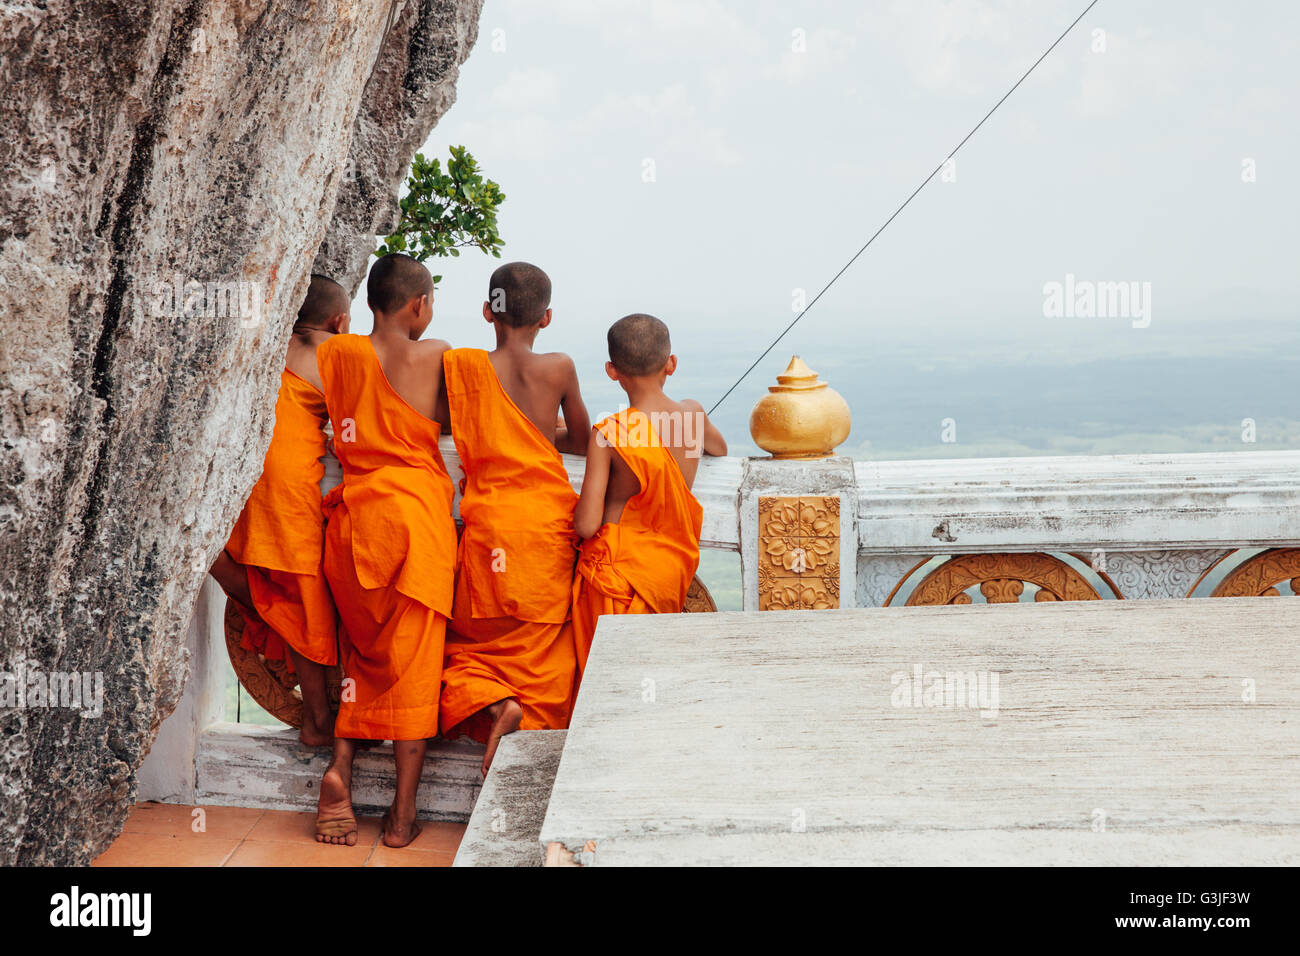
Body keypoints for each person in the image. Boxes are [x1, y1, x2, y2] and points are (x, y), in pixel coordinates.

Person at [313, 254, 456, 848]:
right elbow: (452, 425)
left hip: (355, 523)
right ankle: (401, 817)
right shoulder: (438, 354)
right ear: (419, 304)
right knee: (413, 667)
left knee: (361, 658)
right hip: (415, 524)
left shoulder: (336, 354)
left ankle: (339, 771)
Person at [438, 261, 591, 775]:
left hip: (489, 529)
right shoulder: (559, 367)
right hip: (545, 526)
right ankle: (526, 730)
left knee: (463, 649)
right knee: (547, 650)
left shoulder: (461, 366)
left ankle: (494, 703)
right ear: (546, 318)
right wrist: (541, 436)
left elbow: (449, 422)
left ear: (488, 311)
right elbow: (585, 441)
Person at [211, 275, 349, 747]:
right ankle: (317, 721)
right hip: (288, 489)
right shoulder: (334, 355)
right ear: (340, 322)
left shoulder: (265, 347)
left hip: (237, 479)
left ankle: (254, 598)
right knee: (307, 607)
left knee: (239, 568)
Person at [571, 313, 726, 690]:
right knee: (651, 681)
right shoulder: (692, 414)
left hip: (617, 578)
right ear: (670, 364)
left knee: (607, 686)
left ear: (612, 370)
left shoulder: (610, 433)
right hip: (668, 572)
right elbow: (719, 448)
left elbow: (587, 525)